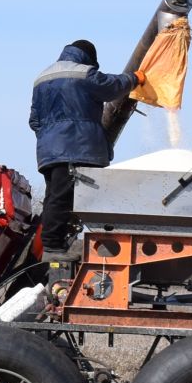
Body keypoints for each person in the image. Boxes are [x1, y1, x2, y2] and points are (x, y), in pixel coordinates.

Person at [29, 39, 139, 259]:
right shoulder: (84, 74)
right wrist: (135, 78)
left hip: (50, 151)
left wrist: (50, 138)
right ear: (90, 57)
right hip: (76, 147)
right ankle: (53, 249)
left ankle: (53, 247)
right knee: (74, 199)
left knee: (56, 197)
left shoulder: (42, 77)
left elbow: (34, 121)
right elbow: (112, 87)